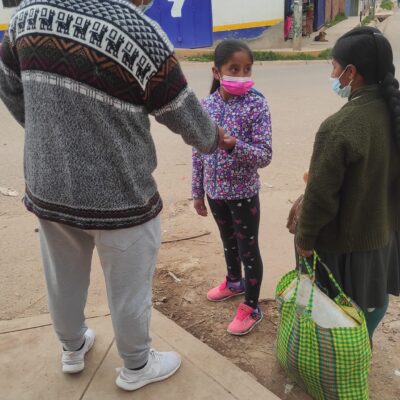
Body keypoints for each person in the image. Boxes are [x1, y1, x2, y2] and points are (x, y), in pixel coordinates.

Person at [0, 0, 230, 391]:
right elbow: (181, 110)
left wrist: (49, 137)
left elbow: (10, 87)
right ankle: (137, 366)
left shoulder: (24, 16)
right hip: (121, 195)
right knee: (129, 288)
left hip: (50, 186)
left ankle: (72, 348)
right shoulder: (139, 33)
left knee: (63, 277)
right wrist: (214, 139)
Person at [295, 27, 400, 342]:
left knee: (337, 315)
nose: (332, 73)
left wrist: (304, 241)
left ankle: (343, 361)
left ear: (351, 72)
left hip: (346, 245)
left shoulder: (340, 127)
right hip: (384, 235)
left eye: (333, 66)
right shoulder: (392, 115)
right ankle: (361, 347)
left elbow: (320, 199)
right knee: (375, 304)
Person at [192, 40, 273, 336]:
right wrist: (198, 191)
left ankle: (252, 306)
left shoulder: (257, 104)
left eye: (247, 69)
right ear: (216, 71)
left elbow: (264, 155)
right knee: (228, 243)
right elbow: (198, 151)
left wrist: (233, 145)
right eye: (233, 69)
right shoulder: (206, 106)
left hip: (243, 194)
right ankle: (233, 282)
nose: (241, 75)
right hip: (215, 195)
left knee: (247, 249)